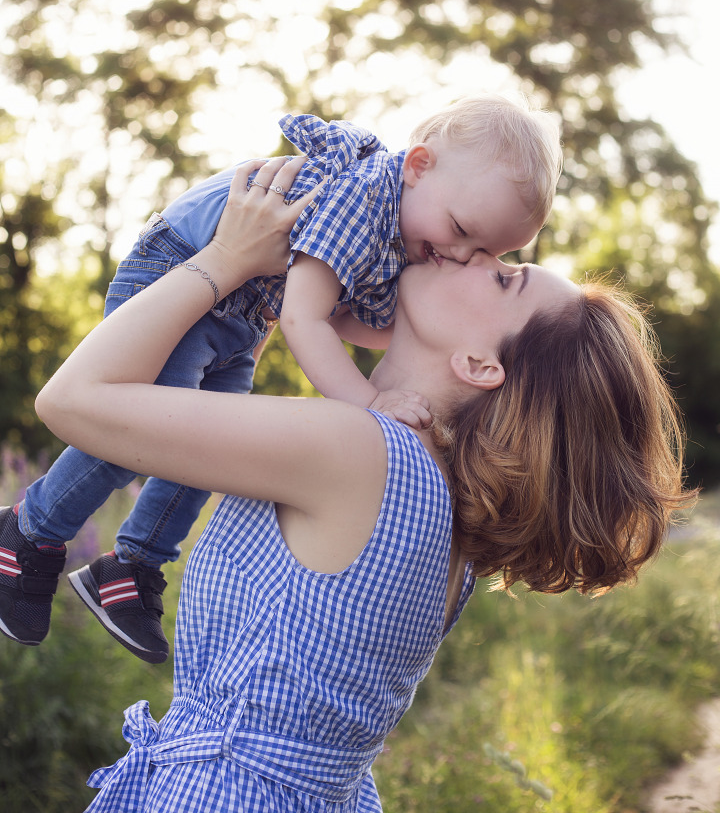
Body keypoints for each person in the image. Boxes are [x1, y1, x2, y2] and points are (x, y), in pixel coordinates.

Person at [30, 156, 693, 812]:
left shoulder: (358, 453)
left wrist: (226, 259)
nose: (475, 256)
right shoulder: (431, 485)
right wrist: (277, 298)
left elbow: (73, 401)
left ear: (480, 365)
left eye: (505, 279)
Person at [0, 96, 562, 663]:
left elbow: (341, 316)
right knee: (133, 430)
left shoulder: (402, 232)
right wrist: (371, 400)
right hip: (178, 268)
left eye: (487, 251)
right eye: (462, 231)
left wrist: (415, 332)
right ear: (418, 165)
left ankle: (132, 566)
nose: (461, 255)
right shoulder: (363, 200)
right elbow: (304, 317)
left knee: (193, 451)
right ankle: (28, 533)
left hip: (238, 311)